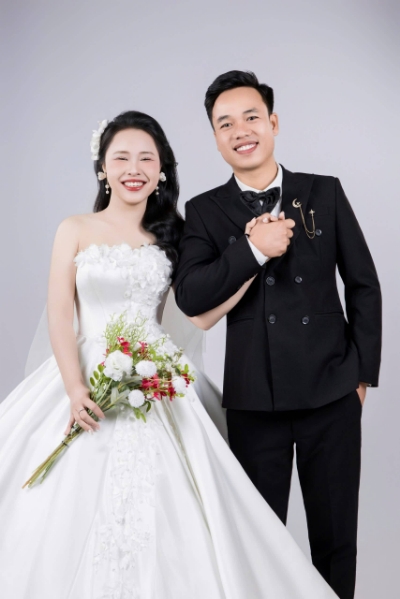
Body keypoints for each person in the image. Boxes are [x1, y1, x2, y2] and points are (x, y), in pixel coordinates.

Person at [0, 110, 338, 598]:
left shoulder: (175, 234)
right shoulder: (74, 228)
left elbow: (199, 315)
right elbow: (59, 316)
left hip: (156, 376)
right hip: (82, 372)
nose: (133, 169)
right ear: (103, 168)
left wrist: (254, 258)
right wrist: (75, 389)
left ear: (161, 170)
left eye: (146, 159)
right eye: (121, 158)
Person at [174, 71, 382, 599]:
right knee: (258, 541)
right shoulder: (203, 210)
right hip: (253, 400)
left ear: (273, 123)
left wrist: (361, 377)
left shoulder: (323, 191)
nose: (240, 131)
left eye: (250, 117)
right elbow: (191, 297)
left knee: (336, 541)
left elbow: (363, 284)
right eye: (225, 123)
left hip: (331, 392)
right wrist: (252, 250)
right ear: (215, 138)